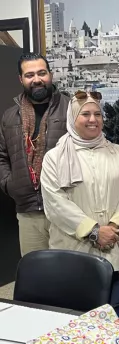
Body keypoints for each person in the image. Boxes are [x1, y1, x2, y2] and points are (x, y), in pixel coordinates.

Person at [40, 91, 119, 317]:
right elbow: (56, 203)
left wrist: (113, 228)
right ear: (72, 119)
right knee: (76, 313)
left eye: (97, 114)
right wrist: (94, 232)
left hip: (115, 245)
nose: (93, 119)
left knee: (113, 312)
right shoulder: (55, 158)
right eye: (85, 114)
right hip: (75, 250)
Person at [0, 53, 68, 256]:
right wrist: (10, 184)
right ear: (21, 79)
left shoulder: (71, 109)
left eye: (41, 73)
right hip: (28, 211)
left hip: (66, 208)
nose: (37, 79)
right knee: (36, 274)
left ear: (51, 75)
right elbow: (2, 155)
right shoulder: (10, 116)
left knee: (68, 274)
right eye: (29, 75)